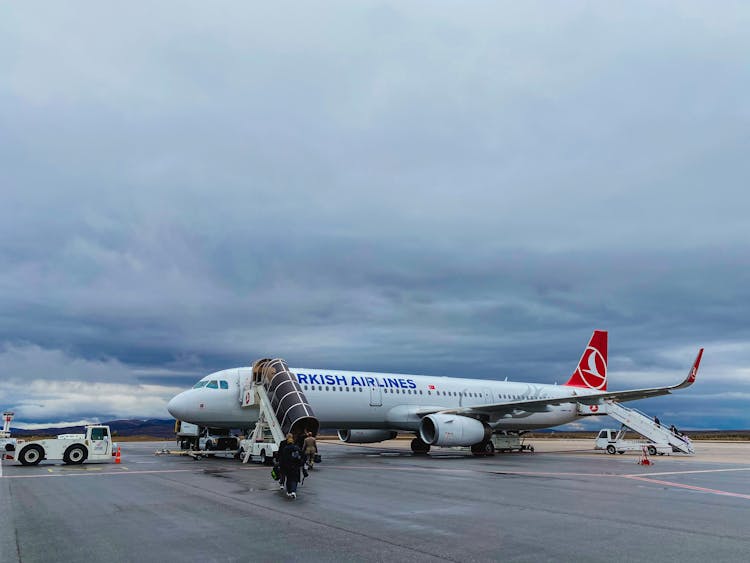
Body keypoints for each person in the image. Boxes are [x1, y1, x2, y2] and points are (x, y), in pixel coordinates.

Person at [279, 433, 303, 499]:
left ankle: (288, 490)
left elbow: (282, 455)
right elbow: (301, 456)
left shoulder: (285, 448)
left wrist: (280, 463)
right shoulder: (296, 447)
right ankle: (293, 491)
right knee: (294, 479)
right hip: (295, 466)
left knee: (288, 478)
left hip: (287, 465)